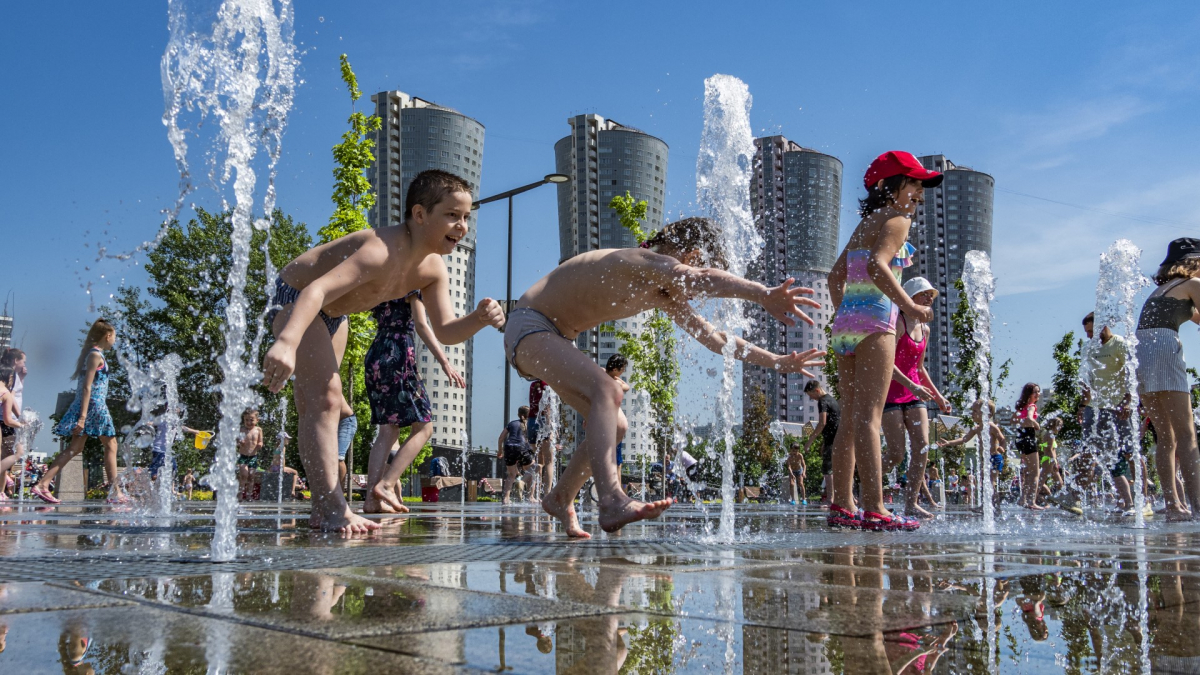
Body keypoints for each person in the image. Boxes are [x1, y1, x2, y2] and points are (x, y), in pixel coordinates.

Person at [504, 216, 823, 537]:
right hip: (531, 325)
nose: (697, 297)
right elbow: (696, 278)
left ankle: (560, 497)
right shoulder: (642, 259)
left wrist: (777, 361)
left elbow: (714, 338)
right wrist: (763, 293)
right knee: (607, 388)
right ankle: (612, 499)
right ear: (693, 256)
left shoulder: (660, 292)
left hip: (554, 339)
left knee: (617, 425)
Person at [260, 169, 504, 532]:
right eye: (452, 215)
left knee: (321, 405)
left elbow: (446, 332)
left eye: (467, 217)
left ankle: (320, 507)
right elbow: (317, 291)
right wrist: (286, 341)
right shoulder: (380, 250)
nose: (462, 226)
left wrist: (480, 318)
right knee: (325, 399)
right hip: (298, 299)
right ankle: (331, 508)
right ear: (419, 215)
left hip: (333, 316)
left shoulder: (433, 267)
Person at [826, 151, 941, 532]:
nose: (919, 193)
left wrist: (847, 313)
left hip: (845, 325)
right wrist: (909, 305)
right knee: (870, 418)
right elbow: (878, 264)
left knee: (849, 419)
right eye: (914, 183)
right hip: (876, 322)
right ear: (892, 186)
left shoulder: (866, 222)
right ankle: (876, 507)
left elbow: (833, 277)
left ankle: (842, 504)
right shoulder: (896, 220)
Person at [360, 289, 465, 515]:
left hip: (376, 354)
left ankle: (371, 499)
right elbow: (421, 325)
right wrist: (446, 363)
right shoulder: (411, 281)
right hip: (397, 355)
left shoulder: (385, 280)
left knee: (387, 431)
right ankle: (387, 485)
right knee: (424, 428)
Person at [1135, 238, 1200, 521]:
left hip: (1140, 350)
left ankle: (1174, 505)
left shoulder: (1162, 290)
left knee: (1166, 436)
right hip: (1163, 344)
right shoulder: (1193, 285)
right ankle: (1198, 506)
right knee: (1187, 434)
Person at [879, 276, 951, 520]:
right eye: (924, 294)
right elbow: (886, 362)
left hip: (915, 392)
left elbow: (920, 367)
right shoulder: (896, 322)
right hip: (891, 391)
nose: (929, 298)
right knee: (896, 453)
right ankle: (868, 489)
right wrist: (912, 385)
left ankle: (911, 503)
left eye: (931, 295)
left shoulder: (925, 328)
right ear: (909, 297)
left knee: (921, 448)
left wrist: (939, 397)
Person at [35, 319, 123, 504]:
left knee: (77, 448)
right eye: (114, 337)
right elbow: (86, 387)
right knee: (111, 445)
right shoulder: (95, 355)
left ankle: (43, 484)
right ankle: (115, 493)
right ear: (107, 336)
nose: (115, 340)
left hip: (90, 405)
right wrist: (82, 417)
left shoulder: (94, 354)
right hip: (94, 406)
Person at [939, 400, 1007, 509]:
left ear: (987, 414)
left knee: (990, 483)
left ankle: (994, 506)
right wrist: (949, 443)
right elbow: (964, 439)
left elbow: (1002, 439)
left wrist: (1002, 447)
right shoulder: (976, 428)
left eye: (975, 411)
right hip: (985, 460)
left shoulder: (992, 426)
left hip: (995, 458)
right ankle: (987, 505)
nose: (972, 414)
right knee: (985, 483)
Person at [803, 381, 840, 505]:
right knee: (840, 469)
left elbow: (822, 423)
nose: (811, 398)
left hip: (833, 440)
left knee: (828, 469)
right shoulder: (832, 400)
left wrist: (809, 442)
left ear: (817, 391)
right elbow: (834, 422)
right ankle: (848, 497)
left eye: (811, 395)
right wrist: (826, 442)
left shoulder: (822, 401)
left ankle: (830, 499)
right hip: (837, 439)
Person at [1012, 383, 1044, 510]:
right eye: (1035, 392)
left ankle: (1022, 499)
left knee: (1027, 472)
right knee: (1035, 472)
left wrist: (1022, 421)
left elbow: (1012, 420)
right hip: (1029, 437)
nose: (1038, 394)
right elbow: (1030, 419)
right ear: (1029, 395)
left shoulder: (1021, 408)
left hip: (1020, 437)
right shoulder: (1031, 406)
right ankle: (1032, 502)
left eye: (1038, 392)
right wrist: (1037, 425)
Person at [498, 406, 535, 505]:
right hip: (522, 447)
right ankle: (530, 496)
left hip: (509, 447)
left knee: (511, 475)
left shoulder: (511, 423)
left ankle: (506, 499)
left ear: (519, 414)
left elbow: (501, 438)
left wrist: (500, 451)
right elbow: (532, 441)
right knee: (533, 469)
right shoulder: (530, 424)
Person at [0, 349, 26, 480]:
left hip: (5, 421)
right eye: (24, 361)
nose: (25, 365)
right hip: (5, 422)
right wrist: (22, 423)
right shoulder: (6, 393)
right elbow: (8, 420)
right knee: (16, 453)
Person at [604, 355, 632, 469]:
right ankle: (617, 486)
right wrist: (616, 378)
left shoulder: (601, 376)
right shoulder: (615, 383)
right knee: (616, 462)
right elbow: (627, 387)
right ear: (615, 370)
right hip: (613, 426)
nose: (623, 371)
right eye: (622, 369)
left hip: (602, 423)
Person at [236, 408, 264, 500]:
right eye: (246, 420)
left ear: (257, 420)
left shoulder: (258, 430)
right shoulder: (242, 429)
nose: (248, 422)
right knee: (244, 474)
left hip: (253, 457)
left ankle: (249, 495)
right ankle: (240, 494)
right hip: (243, 456)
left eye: (251, 420)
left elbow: (260, 441)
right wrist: (240, 442)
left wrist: (260, 444)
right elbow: (237, 441)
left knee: (251, 477)